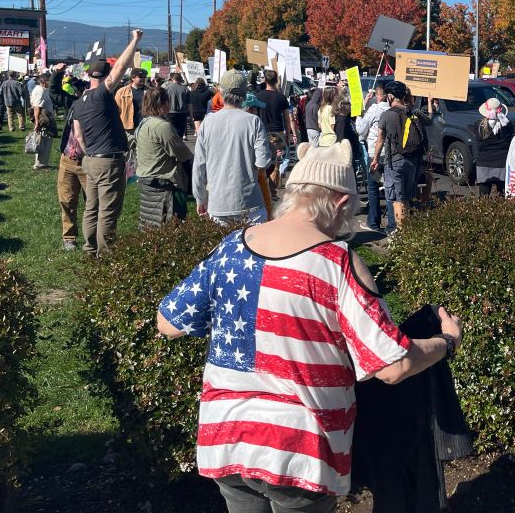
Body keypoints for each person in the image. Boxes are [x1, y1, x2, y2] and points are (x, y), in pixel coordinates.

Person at [155, 140, 463, 513]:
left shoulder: (231, 247)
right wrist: (445, 341)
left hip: (227, 437)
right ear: (339, 203)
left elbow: (168, 322)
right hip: (299, 451)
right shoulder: (336, 263)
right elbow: (392, 365)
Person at [73, 29, 144, 256]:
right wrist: (135, 40)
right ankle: (106, 254)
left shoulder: (79, 102)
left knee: (91, 208)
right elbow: (120, 67)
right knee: (108, 210)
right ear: (104, 78)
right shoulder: (101, 95)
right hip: (108, 160)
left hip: (90, 159)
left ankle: (89, 248)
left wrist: (90, 153)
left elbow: (78, 135)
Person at [192, 70, 272, 226]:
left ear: (221, 93)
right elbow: (262, 163)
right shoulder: (253, 122)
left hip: (218, 203)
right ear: (244, 94)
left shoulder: (207, 123)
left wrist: (200, 198)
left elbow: (199, 166)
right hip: (250, 202)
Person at [370, 81, 426, 230]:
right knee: (406, 199)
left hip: (395, 162)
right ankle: (406, 231)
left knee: (397, 200)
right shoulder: (413, 112)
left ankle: (402, 237)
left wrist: (375, 159)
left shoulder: (387, 115)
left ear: (390, 96)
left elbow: (380, 139)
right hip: (413, 160)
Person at [135, 87, 193, 229]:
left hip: (147, 180)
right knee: (172, 225)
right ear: (165, 103)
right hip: (165, 183)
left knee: (151, 225)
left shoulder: (143, 123)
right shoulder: (163, 126)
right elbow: (183, 154)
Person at [356, 84, 392, 233]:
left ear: (379, 95)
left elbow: (360, 129)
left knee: (373, 187)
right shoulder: (392, 110)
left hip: (375, 153)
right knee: (390, 188)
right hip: (390, 153)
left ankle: (374, 222)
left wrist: (359, 113)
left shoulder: (375, 109)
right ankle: (392, 224)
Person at [258, 69, 296, 196]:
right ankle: (272, 192)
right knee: (276, 163)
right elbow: (287, 117)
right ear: (276, 80)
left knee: (262, 161)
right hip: (278, 132)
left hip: (262, 132)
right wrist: (288, 134)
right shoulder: (281, 97)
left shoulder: (258, 96)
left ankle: (264, 190)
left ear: (265, 80)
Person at [56, 97, 87, 251]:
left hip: (88, 162)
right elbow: (55, 93)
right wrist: (58, 73)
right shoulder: (74, 105)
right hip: (68, 158)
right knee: (66, 200)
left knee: (93, 203)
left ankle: (92, 238)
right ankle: (69, 238)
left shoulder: (99, 111)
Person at [474, 97, 515, 196]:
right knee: (503, 195)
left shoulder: (478, 125)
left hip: (484, 162)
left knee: (483, 197)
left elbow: (479, 146)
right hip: (502, 162)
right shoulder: (508, 126)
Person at [30, 72, 57, 169]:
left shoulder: (43, 90)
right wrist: (37, 122)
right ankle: (40, 163)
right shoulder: (40, 90)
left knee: (46, 140)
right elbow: (37, 107)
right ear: (45, 81)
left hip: (46, 117)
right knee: (44, 140)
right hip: (43, 118)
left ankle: (43, 162)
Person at [114, 68, 147, 134]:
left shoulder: (150, 91)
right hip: (128, 128)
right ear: (133, 78)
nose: (143, 79)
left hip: (145, 126)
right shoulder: (122, 92)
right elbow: (116, 110)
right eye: (140, 77)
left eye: (144, 77)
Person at [164, 72, 191, 138]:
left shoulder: (166, 88)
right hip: (182, 113)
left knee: (170, 134)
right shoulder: (185, 89)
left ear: (172, 79)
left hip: (170, 113)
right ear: (180, 79)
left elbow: (163, 102)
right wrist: (191, 115)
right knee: (180, 134)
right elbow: (189, 104)